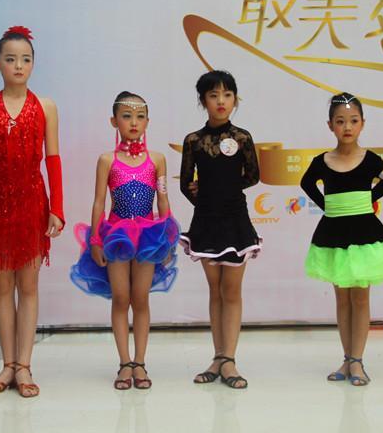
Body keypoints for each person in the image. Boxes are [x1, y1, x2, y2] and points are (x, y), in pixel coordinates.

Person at [0, 25, 64, 398]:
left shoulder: (46, 107)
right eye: (10, 59)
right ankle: (7, 365)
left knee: (29, 286)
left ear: (33, 64)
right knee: (2, 287)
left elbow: (53, 159)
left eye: (25, 59)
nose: (18, 66)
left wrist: (57, 208)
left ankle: (24, 365)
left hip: (33, 204)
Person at [70, 92, 179, 389]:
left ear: (148, 122)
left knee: (140, 298)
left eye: (140, 117)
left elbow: (163, 199)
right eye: (127, 116)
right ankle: (124, 363)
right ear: (114, 121)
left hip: (148, 237)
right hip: (116, 236)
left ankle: (140, 363)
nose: (133, 122)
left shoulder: (157, 160)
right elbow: (99, 201)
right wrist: (95, 239)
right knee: (121, 298)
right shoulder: (107, 160)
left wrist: (168, 239)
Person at [299, 93, 383, 386]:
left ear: (362, 124)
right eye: (340, 121)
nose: (347, 127)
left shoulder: (369, 159)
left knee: (360, 297)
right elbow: (306, 183)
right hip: (333, 233)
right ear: (330, 125)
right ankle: (347, 359)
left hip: (364, 233)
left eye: (353, 121)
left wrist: (368, 198)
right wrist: (327, 205)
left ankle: (357, 360)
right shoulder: (323, 161)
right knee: (342, 298)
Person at [179, 70, 261, 389]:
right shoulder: (193, 141)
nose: (221, 101)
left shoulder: (242, 138)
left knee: (232, 291)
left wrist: (225, 191)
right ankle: (218, 356)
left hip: (235, 220)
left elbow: (252, 175)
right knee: (214, 290)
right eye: (213, 95)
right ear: (203, 101)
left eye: (227, 95)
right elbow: (186, 183)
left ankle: (230, 360)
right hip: (206, 221)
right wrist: (206, 196)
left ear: (235, 100)